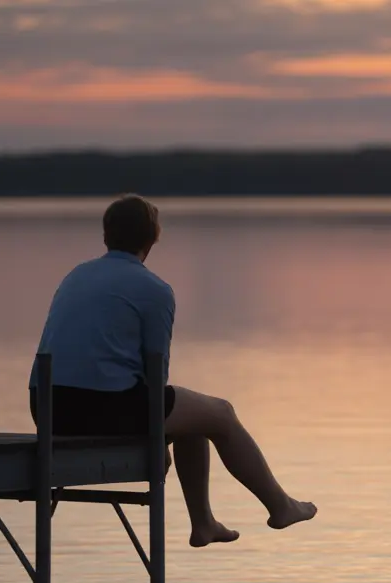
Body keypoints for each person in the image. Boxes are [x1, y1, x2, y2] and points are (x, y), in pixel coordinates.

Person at [29, 194, 316, 547]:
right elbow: (156, 375)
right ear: (153, 238)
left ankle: (204, 523)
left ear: (106, 236)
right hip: (101, 409)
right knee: (221, 413)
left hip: (47, 408)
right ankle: (281, 506)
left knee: (193, 418)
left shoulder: (76, 276)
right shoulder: (154, 290)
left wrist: (158, 425)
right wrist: (152, 434)